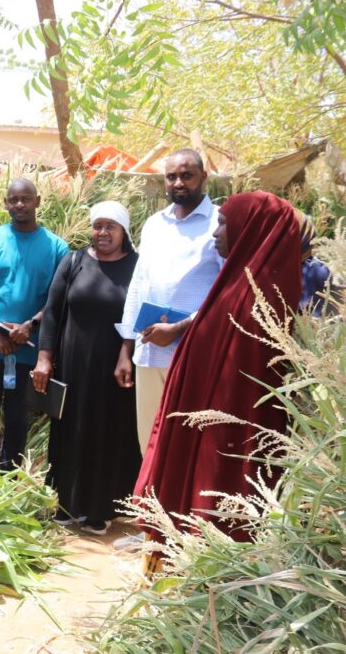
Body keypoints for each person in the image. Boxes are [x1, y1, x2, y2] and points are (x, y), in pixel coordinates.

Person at [135, 192, 303, 554]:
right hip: (204, 422)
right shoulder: (237, 283)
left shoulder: (262, 297)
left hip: (225, 438)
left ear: (251, 228)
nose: (215, 233)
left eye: (224, 224)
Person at [32, 201, 140, 535]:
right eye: (98, 226)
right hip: (73, 365)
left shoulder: (137, 266)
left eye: (111, 227)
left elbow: (140, 314)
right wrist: (44, 358)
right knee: (70, 431)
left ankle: (99, 509)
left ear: (123, 231)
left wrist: (127, 353)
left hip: (115, 368)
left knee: (108, 433)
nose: (103, 232)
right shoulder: (73, 261)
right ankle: (67, 504)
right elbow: (52, 311)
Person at [116, 149, 223, 454]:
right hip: (149, 354)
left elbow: (228, 292)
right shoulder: (154, 224)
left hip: (194, 354)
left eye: (187, 175)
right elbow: (138, 285)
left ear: (203, 177)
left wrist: (180, 328)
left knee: (187, 448)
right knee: (149, 445)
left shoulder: (220, 223)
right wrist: (126, 349)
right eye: (171, 176)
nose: (178, 183)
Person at [0, 178, 69, 469]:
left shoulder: (56, 247)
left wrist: (30, 326)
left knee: (17, 417)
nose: (20, 204)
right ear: (5, 203)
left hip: (28, 349)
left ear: (38, 201)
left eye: (26, 199)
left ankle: (9, 477)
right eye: (13, 199)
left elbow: (58, 298)